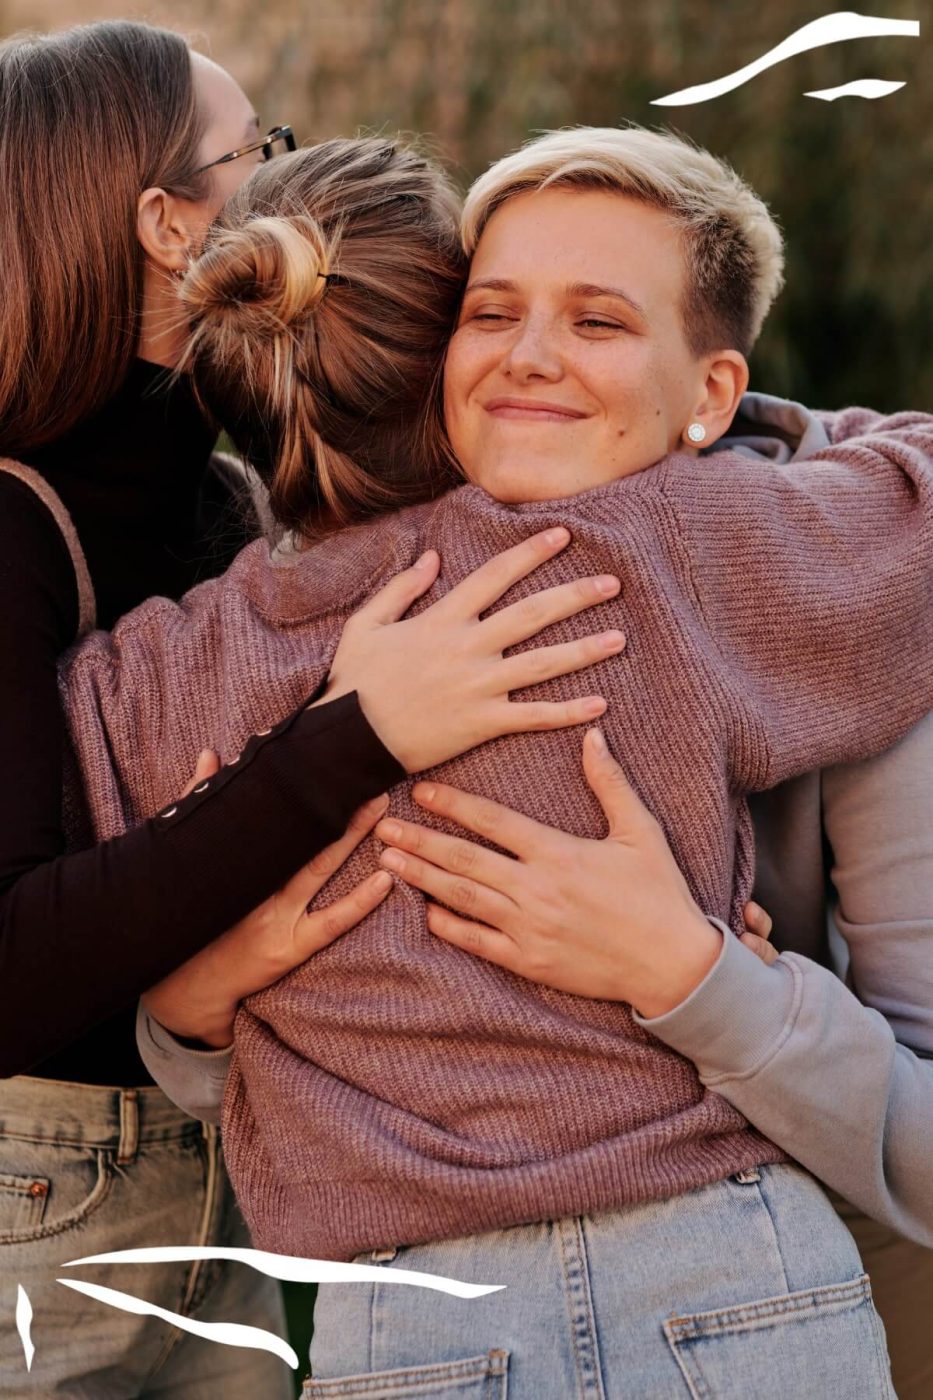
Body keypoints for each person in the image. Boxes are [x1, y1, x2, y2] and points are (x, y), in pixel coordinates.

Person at [60, 124, 933, 1395]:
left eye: (598, 322)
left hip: (424, 1311)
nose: (530, 358)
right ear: (431, 351)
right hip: (731, 1266)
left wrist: (686, 973)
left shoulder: (158, 670)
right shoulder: (706, 549)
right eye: (493, 310)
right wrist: (199, 997)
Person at [0, 26, 620, 1395]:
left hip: (225, 1171)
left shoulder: (229, 509)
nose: (290, 182)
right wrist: (349, 738)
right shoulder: (10, 525)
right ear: (168, 226)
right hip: (31, 1209)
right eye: (256, 154)